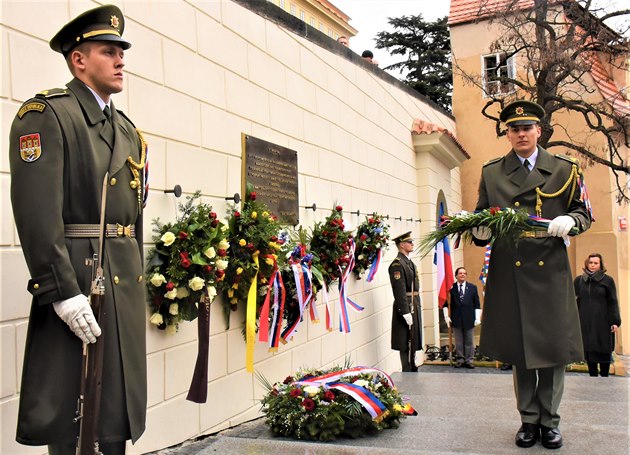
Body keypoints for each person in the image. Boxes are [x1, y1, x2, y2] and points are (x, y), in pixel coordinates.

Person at [9, 5, 147, 454]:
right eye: (109, 51)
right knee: (77, 414)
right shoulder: (47, 114)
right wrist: (62, 291)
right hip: (80, 279)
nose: (121, 60)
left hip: (120, 283)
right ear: (79, 60)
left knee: (112, 419)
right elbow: (36, 213)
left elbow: (132, 221)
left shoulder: (127, 130)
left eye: (121, 52)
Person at [472, 100, 591, 449]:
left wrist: (572, 221)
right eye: (514, 129)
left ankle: (550, 421)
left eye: (527, 128)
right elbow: (483, 213)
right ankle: (528, 419)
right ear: (507, 134)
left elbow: (583, 212)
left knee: (552, 349)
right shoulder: (492, 171)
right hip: (511, 266)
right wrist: (477, 229)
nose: (521, 134)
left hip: (550, 268)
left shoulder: (566, 168)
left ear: (539, 131)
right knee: (520, 348)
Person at [574, 254, 621, 377]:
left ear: (600, 265)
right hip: (585, 321)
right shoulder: (579, 280)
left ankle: (605, 377)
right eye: (591, 263)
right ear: (587, 264)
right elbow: (574, 300)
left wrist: (615, 321)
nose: (593, 265)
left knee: (603, 349)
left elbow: (613, 301)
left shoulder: (607, 280)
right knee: (589, 351)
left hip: (603, 321)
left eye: (596, 263)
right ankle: (592, 377)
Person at [388, 231, 422, 372]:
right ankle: (407, 370)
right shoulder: (397, 264)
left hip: (413, 303)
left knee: (413, 339)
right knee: (405, 341)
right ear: (402, 245)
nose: (412, 244)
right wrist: (405, 312)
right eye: (410, 242)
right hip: (406, 306)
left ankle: (412, 367)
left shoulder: (409, 262)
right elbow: (399, 291)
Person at [444, 267, 481, 369]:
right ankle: (460, 359)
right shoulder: (451, 288)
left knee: (469, 341)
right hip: (456, 319)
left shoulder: (472, 288)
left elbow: (477, 304)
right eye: (460, 273)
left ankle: (469, 360)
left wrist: (477, 317)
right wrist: (446, 316)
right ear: (456, 276)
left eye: (464, 273)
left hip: (469, 318)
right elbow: (445, 304)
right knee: (459, 341)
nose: (462, 275)